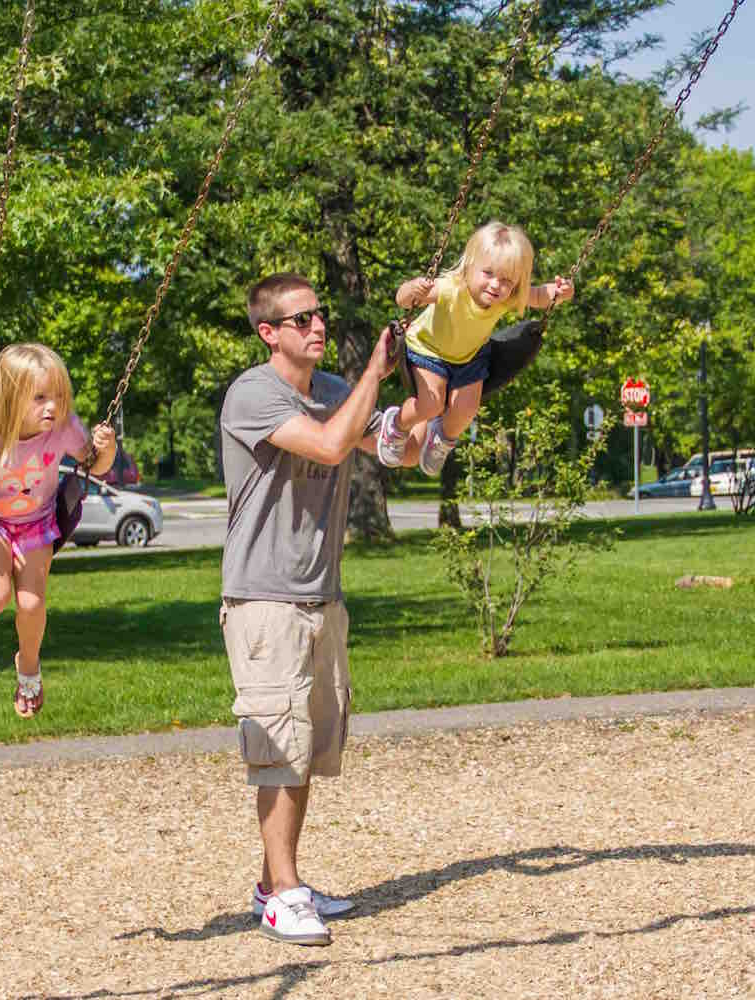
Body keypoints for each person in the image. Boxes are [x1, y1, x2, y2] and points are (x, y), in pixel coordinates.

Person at [220, 273, 412, 947]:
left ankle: (278, 885)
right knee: (279, 750)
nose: (317, 326)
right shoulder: (254, 393)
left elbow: (399, 446)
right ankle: (284, 896)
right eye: (301, 320)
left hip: (321, 596)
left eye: (320, 315)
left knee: (306, 750)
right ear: (268, 332)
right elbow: (332, 446)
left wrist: (446, 374)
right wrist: (374, 376)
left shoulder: (333, 391)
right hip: (264, 598)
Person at [0, 343, 116, 717]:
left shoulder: (63, 429)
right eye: (40, 397)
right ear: (12, 398)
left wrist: (105, 449)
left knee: (31, 603)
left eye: (58, 396)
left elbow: (96, 465)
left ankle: (29, 664)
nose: (52, 406)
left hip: (36, 522)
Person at [376, 221, 574, 475]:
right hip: (428, 350)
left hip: (470, 358)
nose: (495, 285)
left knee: (467, 410)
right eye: (488, 273)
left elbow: (538, 296)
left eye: (506, 280)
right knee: (431, 404)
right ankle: (397, 424)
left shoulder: (505, 299)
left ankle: (441, 436)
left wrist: (561, 292)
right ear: (470, 266)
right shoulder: (450, 288)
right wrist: (412, 289)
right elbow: (403, 298)